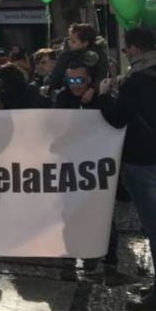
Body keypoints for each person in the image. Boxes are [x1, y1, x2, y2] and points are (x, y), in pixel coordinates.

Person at [97, 28, 156, 311]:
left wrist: (103, 95)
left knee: (155, 228)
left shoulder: (137, 80)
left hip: (143, 160)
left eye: (125, 50)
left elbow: (117, 118)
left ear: (134, 49)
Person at [53, 61, 123, 284]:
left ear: (89, 79)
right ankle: (69, 260)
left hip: (99, 169)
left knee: (103, 216)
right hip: (71, 168)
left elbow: (116, 121)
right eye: (71, 80)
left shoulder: (102, 97)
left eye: (80, 80)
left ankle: (108, 262)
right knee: (69, 215)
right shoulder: (63, 98)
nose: (75, 85)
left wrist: (99, 97)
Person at [44, 23, 107, 91]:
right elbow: (56, 75)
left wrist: (93, 89)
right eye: (69, 40)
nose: (69, 43)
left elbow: (101, 74)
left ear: (85, 43)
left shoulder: (98, 55)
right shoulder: (66, 55)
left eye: (74, 41)